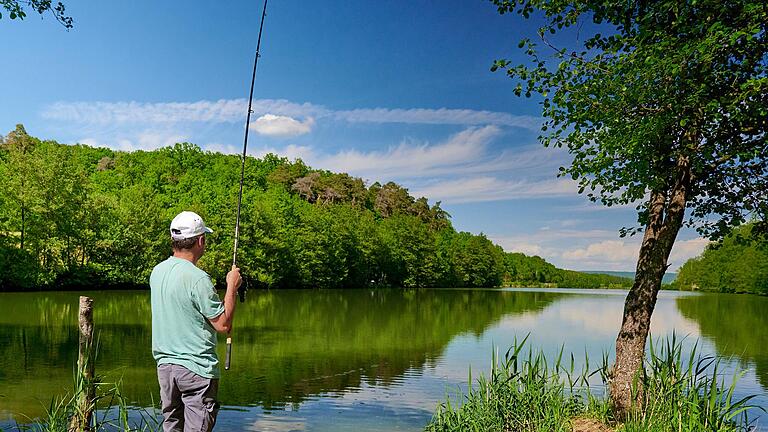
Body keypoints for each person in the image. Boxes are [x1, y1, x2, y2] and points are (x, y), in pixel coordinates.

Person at [150, 211, 242, 432]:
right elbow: (223, 325)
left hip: (165, 368)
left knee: (171, 427)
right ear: (200, 241)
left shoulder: (157, 271)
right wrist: (232, 286)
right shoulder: (198, 278)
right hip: (196, 370)